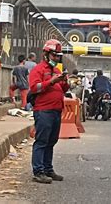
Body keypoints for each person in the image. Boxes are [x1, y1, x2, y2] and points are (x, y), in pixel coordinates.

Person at [28, 39, 69, 184]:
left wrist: (64, 81)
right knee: (42, 141)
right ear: (46, 55)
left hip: (56, 111)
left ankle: (48, 169)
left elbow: (63, 89)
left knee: (51, 141)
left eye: (58, 56)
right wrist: (51, 81)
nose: (56, 59)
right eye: (54, 56)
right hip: (43, 111)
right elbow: (34, 88)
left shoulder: (56, 71)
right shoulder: (38, 70)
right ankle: (38, 171)